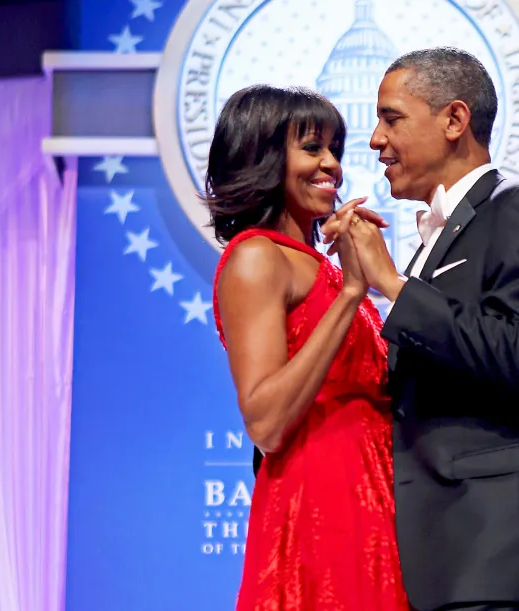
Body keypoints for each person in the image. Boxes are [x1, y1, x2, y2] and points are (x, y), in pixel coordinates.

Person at [324, 47, 519, 611]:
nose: (375, 140)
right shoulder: (433, 240)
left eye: (391, 118)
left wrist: (393, 285)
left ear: (455, 120)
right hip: (440, 560)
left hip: (506, 557)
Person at [206, 84, 408, 611]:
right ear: (264, 156)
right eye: (313, 148)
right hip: (321, 508)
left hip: (376, 501)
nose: (332, 166)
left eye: (334, 150)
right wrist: (350, 295)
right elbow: (266, 422)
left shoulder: (320, 264)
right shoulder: (256, 258)